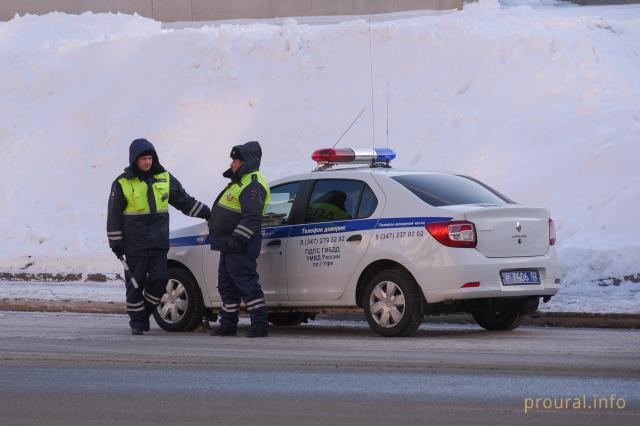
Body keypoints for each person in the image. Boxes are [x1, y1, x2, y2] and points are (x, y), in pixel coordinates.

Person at [107, 138, 211, 335]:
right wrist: (116, 243)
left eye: (150, 158)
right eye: (143, 159)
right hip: (135, 244)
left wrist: (207, 212)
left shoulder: (164, 177)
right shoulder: (121, 183)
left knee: (160, 280)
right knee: (135, 285)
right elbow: (113, 215)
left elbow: (183, 200)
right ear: (134, 160)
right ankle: (137, 323)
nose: (147, 162)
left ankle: (145, 310)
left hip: (158, 242)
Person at [208, 141, 271, 338]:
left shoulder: (253, 184)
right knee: (227, 286)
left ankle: (259, 325)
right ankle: (228, 325)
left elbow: (252, 216)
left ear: (246, 162)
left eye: (236, 160)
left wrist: (238, 238)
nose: (232, 164)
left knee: (247, 284)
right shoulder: (240, 181)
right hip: (229, 244)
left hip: (241, 244)